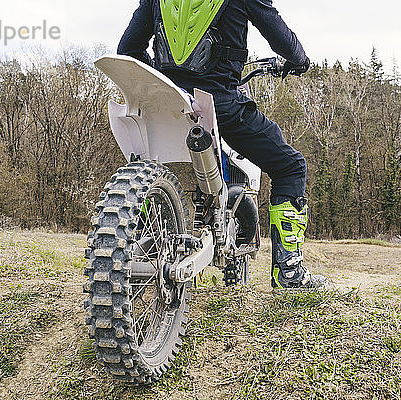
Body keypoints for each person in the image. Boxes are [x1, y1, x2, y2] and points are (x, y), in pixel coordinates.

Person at [118, 0, 327, 289]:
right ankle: (289, 272)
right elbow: (282, 39)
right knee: (290, 167)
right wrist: (299, 59)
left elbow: (128, 50)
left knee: (151, 160)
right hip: (221, 105)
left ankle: (141, 240)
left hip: (167, 104)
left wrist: (160, 75)